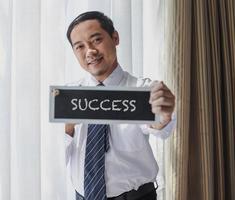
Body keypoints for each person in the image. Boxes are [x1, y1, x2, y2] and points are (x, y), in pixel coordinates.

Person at [64, 11, 176, 200]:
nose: (89, 51)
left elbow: (159, 127)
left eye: (96, 40)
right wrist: (68, 128)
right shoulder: (67, 97)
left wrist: (163, 118)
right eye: (80, 46)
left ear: (115, 37)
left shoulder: (143, 90)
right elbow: (58, 154)